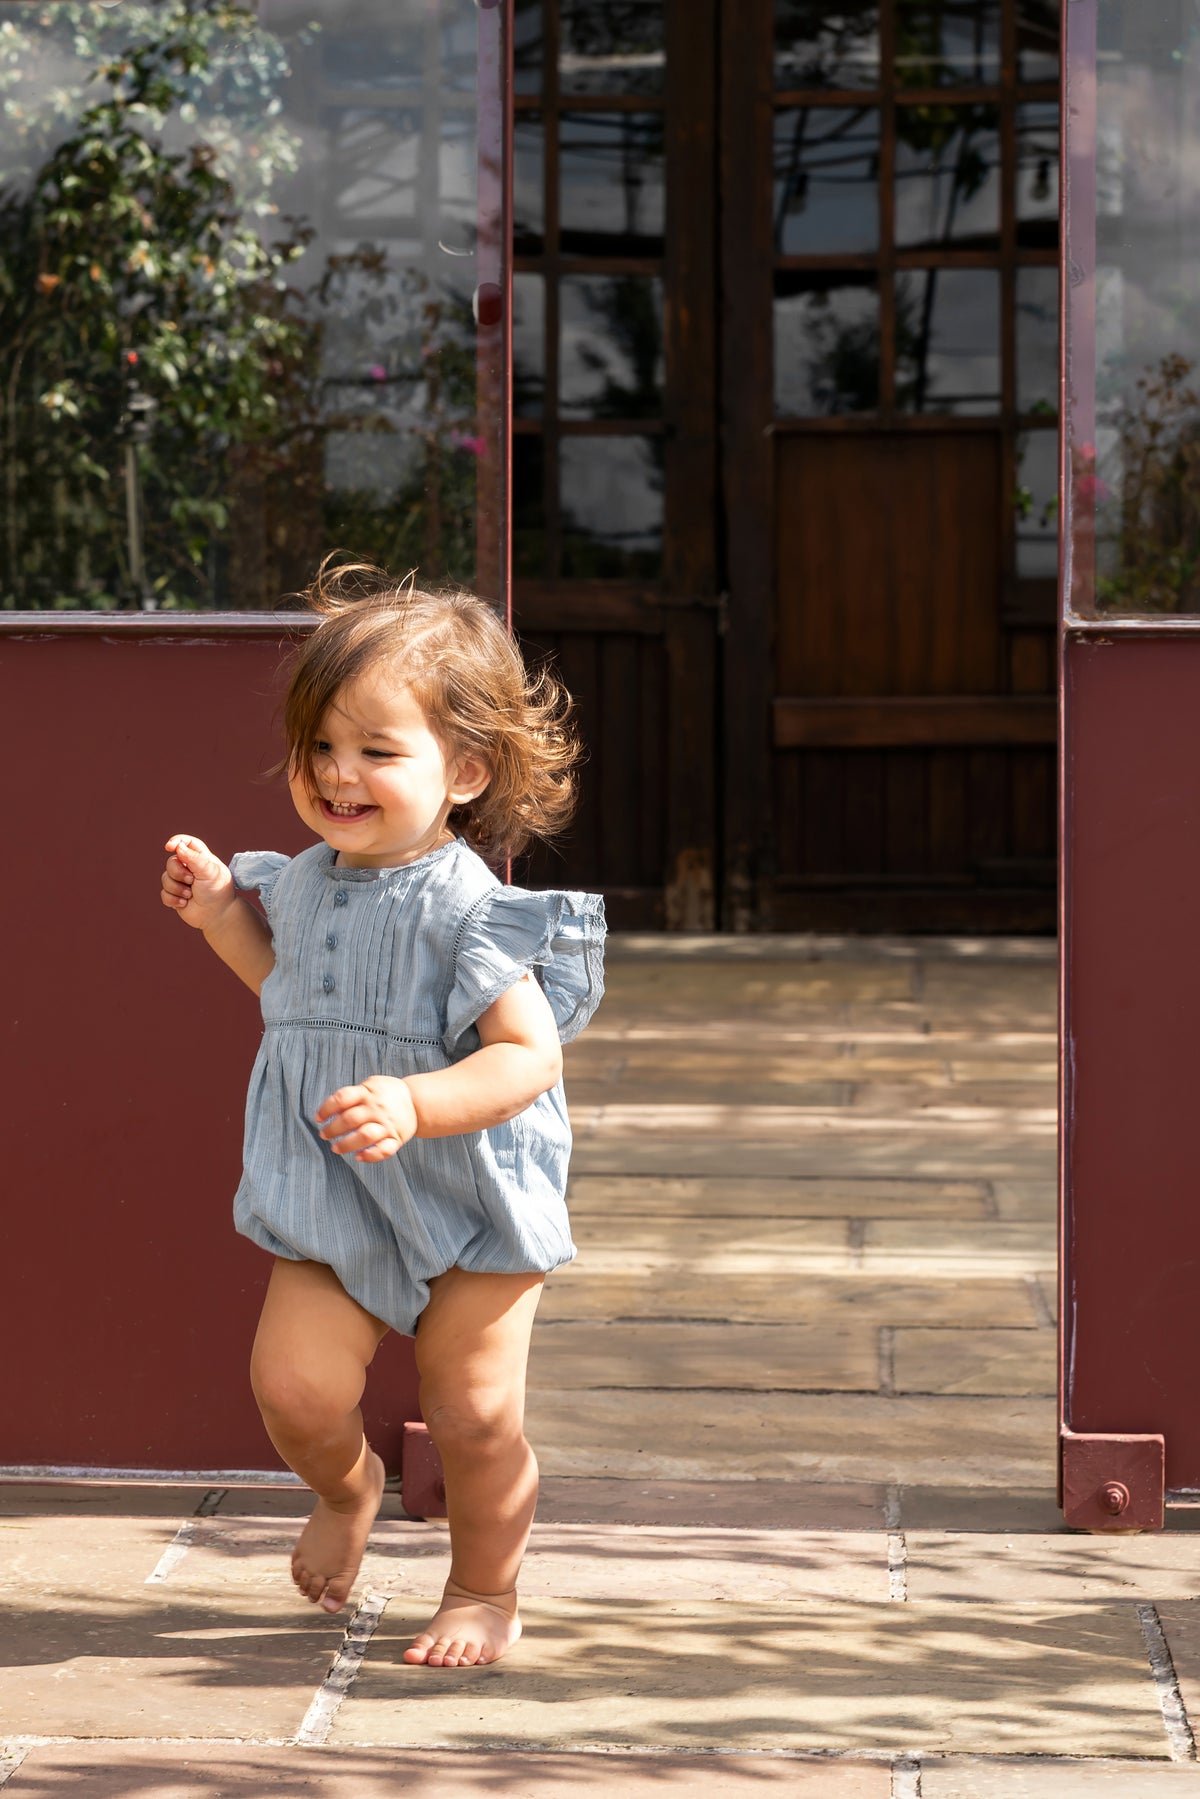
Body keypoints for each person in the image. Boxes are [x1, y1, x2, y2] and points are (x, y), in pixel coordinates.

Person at [159, 563, 605, 1669]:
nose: (337, 774)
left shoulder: (471, 911)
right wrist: (223, 914)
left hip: (471, 1196)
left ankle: (485, 1588)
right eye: (320, 747)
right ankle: (348, 1488)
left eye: (377, 750)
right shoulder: (306, 881)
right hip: (340, 1182)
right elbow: (286, 991)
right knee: (295, 1386)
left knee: (473, 1410)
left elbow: (526, 1056)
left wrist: (417, 1099)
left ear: (464, 770)